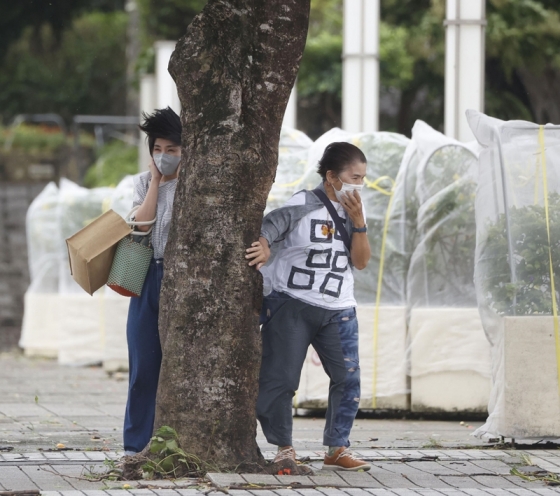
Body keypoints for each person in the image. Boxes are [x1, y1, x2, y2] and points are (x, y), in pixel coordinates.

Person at [245, 142, 372, 471]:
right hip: (293, 304)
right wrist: (263, 245)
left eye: (363, 178)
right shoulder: (302, 203)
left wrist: (358, 221)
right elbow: (270, 228)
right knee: (281, 379)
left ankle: (337, 446)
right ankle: (283, 448)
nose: (359, 185)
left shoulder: (355, 210)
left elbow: (361, 261)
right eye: (354, 177)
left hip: (339, 308)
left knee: (348, 378)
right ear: (331, 177)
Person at [123, 107, 182, 455]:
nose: (164, 156)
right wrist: (157, 183)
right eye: (158, 149)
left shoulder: (198, 186)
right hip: (146, 275)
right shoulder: (143, 183)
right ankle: (135, 447)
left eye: (172, 150)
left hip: (180, 278)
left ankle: (171, 444)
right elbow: (141, 226)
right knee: (143, 363)